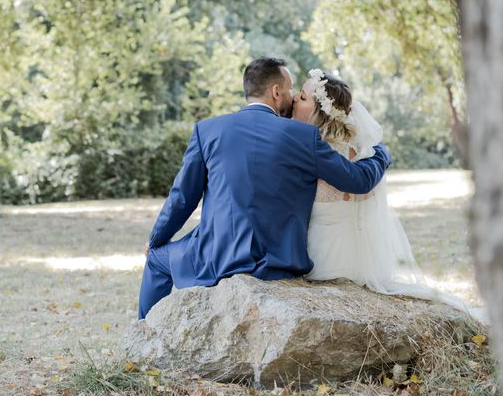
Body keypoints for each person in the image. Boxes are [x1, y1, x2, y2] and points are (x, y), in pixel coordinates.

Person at [137, 57, 392, 319]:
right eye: (291, 90)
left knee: (156, 260)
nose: (293, 98)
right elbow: (358, 181)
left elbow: (182, 199)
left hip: (216, 258)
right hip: (279, 261)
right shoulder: (303, 136)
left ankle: (143, 337)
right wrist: (379, 151)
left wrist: (155, 239)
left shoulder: (208, 130)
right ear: (276, 92)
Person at [292, 68, 486, 321]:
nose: (296, 98)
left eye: (303, 97)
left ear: (321, 110)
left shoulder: (318, 149)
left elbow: (356, 184)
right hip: (353, 255)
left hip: (326, 257)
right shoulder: (354, 146)